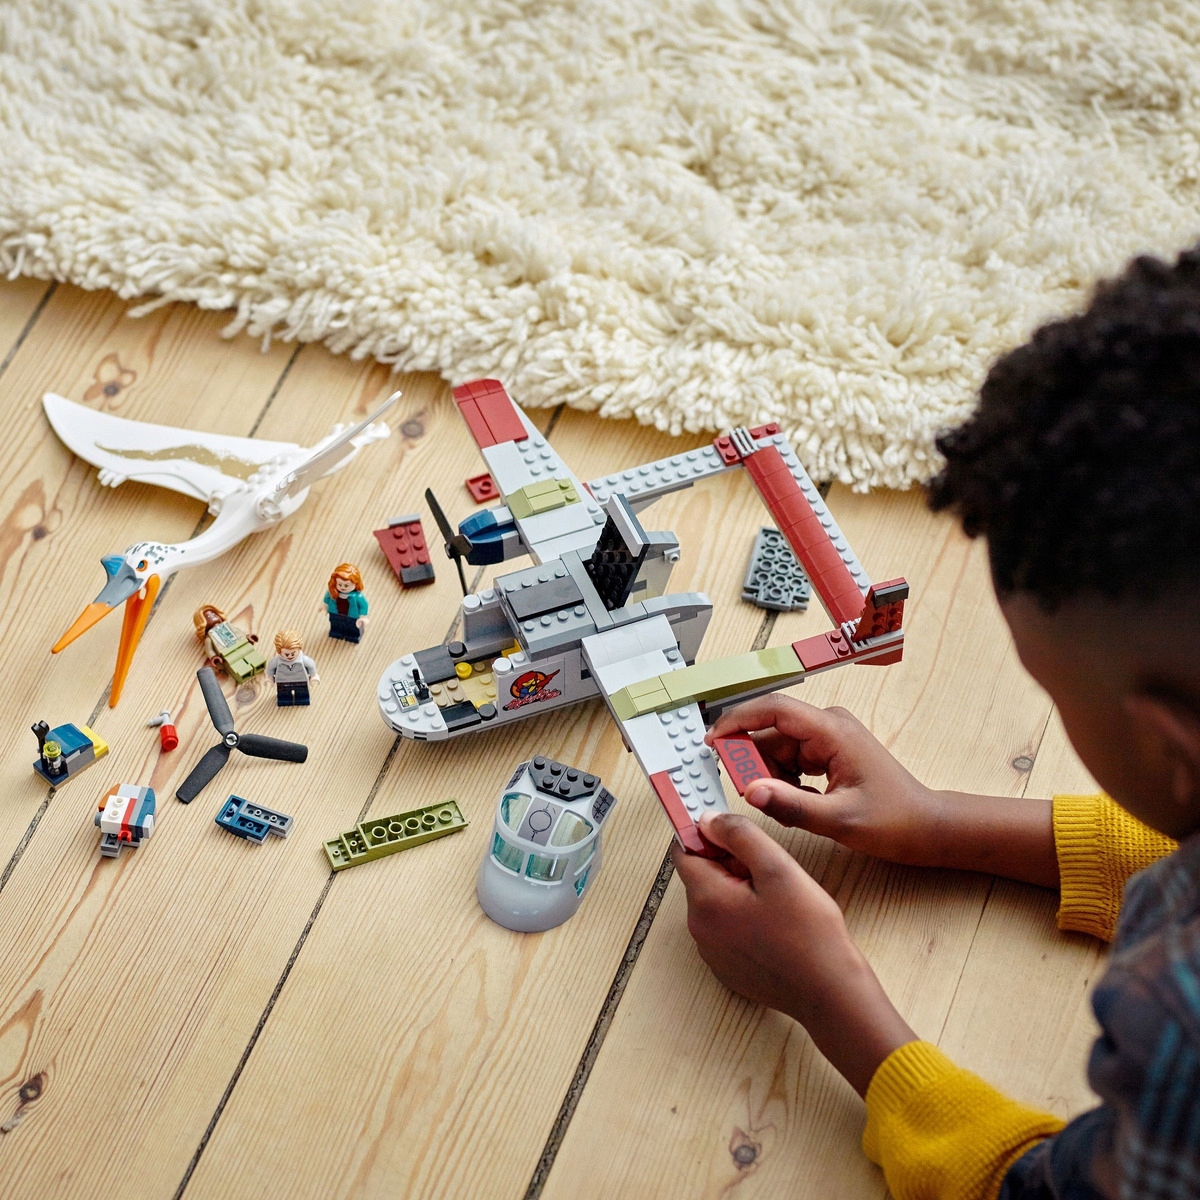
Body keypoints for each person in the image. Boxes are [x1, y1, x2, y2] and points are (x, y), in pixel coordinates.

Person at [673, 247, 1200, 1198]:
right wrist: (945, 823)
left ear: (1172, 744)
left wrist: (829, 996)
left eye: (1051, 687)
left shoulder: (1177, 1034)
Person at [265, 630, 320, 706]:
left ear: (299, 649)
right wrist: (270, 678)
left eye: (293, 653)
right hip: (282, 682)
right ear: (279, 651)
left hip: (301, 681)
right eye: (287, 654)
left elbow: (311, 665)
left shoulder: (303, 660)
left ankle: (302, 699)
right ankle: (284, 700)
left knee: (302, 694)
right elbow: (270, 667)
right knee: (284, 695)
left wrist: (313, 675)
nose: (290, 656)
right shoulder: (276, 662)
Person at [322, 562, 369, 643]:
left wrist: (362, 616)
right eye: (339, 584)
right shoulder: (333, 592)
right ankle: (336, 632)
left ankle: (353, 636)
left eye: (346, 585)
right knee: (335, 625)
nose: (342, 587)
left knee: (353, 627)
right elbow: (326, 599)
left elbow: (364, 605)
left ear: (356, 583)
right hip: (335, 613)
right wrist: (325, 606)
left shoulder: (357, 596)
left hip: (352, 617)